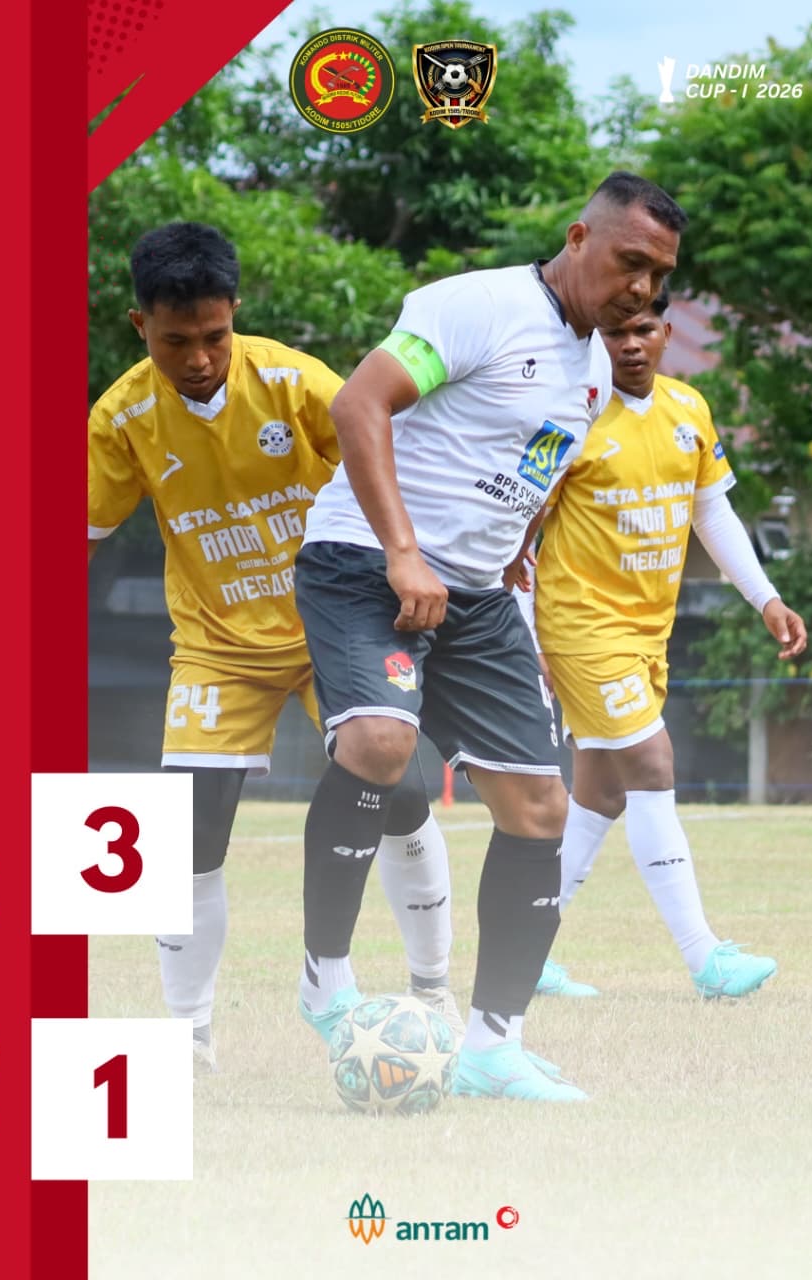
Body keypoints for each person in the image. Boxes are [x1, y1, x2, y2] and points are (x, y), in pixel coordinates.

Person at [293, 171, 688, 1103]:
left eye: (660, 274)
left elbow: (531, 467)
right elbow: (358, 406)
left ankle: (491, 1048)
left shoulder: (596, 373)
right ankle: (326, 980)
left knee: (541, 810)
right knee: (380, 742)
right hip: (365, 560)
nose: (641, 286)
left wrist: (511, 556)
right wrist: (404, 553)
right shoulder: (479, 306)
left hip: (474, 596)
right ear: (579, 237)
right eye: (630, 260)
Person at [87, 221, 460, 1074]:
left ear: (235, 315)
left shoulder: (296, 383)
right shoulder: (122, 417)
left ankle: (433, 990)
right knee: (188, 835)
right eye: (175, 341)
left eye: (215, 337)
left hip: (333, 621)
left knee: (402, 792)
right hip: (217, 645)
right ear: (140, 325)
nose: (199, 359)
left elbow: (386, 469)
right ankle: (189, 1036)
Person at [517, 284, 807, 1000]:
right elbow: (516, 536)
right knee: (651, 762)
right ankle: (707, 960)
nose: (630, 344)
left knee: (603, 791)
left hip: (649, 633)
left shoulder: (689, 410)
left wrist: (766, 598)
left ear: (666, 334)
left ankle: (524, 951)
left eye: (642, 330)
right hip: (580, 627)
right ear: (595, 340)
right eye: (614, 333)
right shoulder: (566, 416)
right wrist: (529, 640)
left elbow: (713, 513)